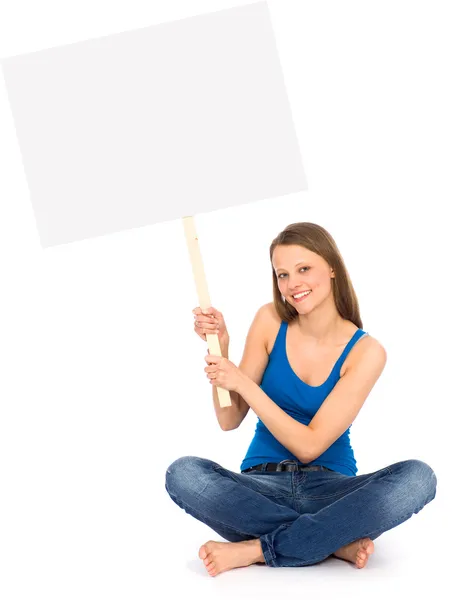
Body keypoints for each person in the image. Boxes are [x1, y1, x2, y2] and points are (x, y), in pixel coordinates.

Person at [164, 222, 437, 577]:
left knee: (418, 478)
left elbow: (310, 446)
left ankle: (257, 549)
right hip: (259, 487)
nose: (293, 284)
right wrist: (223, 347)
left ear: (332, 267)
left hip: (332, 489)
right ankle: (332, 538)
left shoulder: (366, 352)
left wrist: (244, 383)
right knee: (184, 473)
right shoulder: (269, 320)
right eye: (282, 274)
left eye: (304, 269)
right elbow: (229, 419)